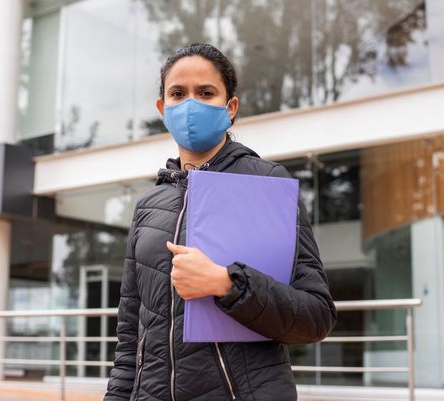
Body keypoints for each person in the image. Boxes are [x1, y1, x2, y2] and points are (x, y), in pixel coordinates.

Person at [104, 43, 336, 401]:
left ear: (231, 108)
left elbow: (315, 317)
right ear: (163, 109)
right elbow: (130, 335)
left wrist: (227, 283)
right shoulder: (148, 206)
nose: (190, 105)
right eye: (178, 94)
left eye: (206, 92)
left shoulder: (266, 184)